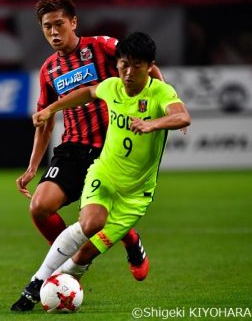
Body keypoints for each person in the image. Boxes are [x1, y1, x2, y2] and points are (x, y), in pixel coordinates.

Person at [13, 31, 191, 312]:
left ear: (149, 66)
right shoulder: (111, 86)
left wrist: (154, 123)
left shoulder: (160, 92)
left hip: (136, 193)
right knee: (87, 224)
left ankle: (67, 275)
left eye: (137, 66)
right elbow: (87, 92)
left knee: (84, 253)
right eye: (123, 64)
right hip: (103, 172)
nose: (128, 72)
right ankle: (36, 285)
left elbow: (183, 115)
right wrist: (51, 109)